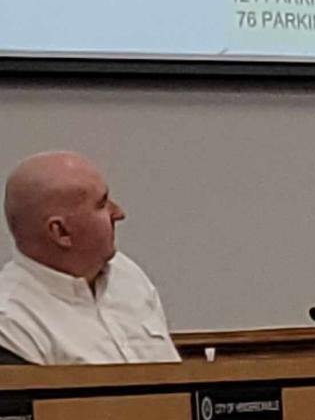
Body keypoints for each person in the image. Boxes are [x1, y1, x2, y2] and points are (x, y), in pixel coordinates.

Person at [0, 151, 181, 364]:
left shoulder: (126, 274)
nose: (119, 213)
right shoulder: (12, 323)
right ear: (61, 232)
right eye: (102, 204)